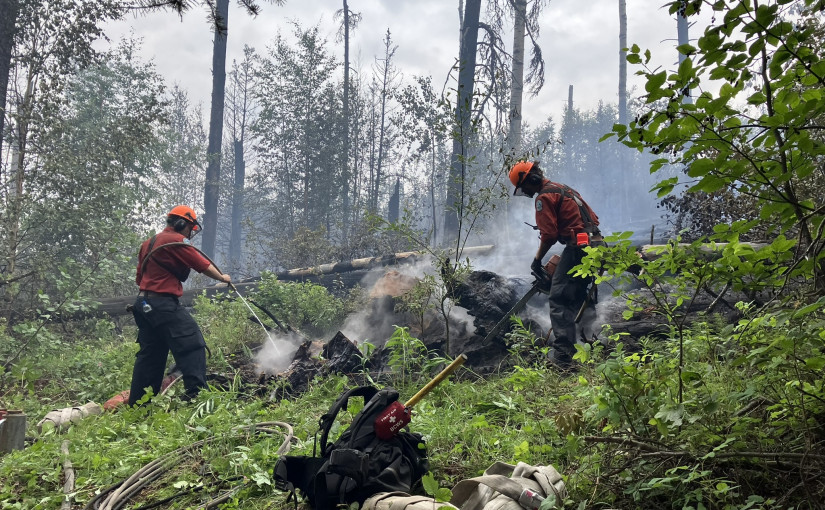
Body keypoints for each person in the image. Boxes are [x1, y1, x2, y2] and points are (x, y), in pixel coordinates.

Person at [128, 205, 231, 405]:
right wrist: (222, 277)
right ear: (182, 223)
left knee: (150, 354)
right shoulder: (176, 242)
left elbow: (139, 278)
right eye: (189, 228)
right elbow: (202, 264)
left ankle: (138, 405)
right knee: (192, 343)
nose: (190, 233)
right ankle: (198, 397)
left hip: (143, 304)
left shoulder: (148, 243)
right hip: (162, 304)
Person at [509, 161, 602, 370]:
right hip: (595, 244)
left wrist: (537, 259)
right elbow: (591, 220)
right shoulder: (564, 189)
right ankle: (591, 342)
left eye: (525, 188)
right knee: (578, 294)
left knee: (558, 296)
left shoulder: (544, 197)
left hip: (578, 248)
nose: (527, 193)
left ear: (531, 179)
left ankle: (563, 356)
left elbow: (549, 234)